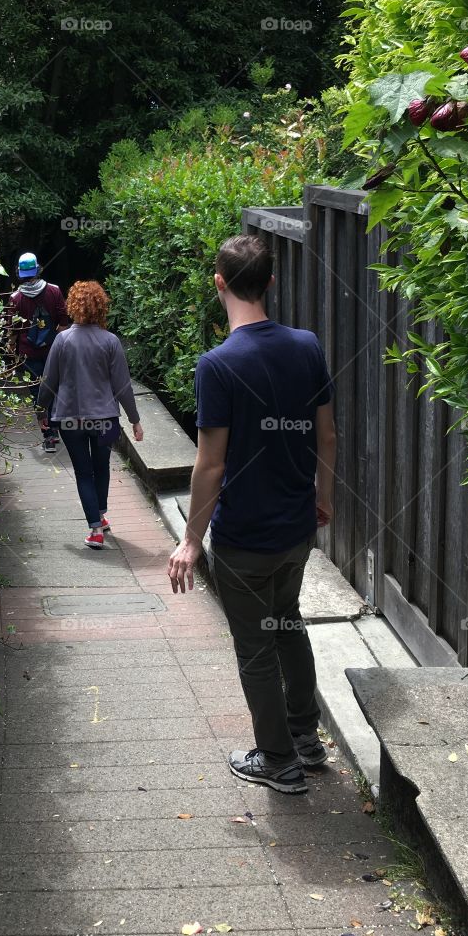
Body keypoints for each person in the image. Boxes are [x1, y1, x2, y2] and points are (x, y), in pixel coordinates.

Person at [167, 234, 336, 795]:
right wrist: (324, 497)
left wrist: (191, 539)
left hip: (244, 539)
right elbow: (327, 434)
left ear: (219, 283)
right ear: (270, 282)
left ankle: (279, 761)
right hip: (296, 530)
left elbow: (210, 464)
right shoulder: (307, 346)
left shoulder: (217, 365)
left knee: (256, 648)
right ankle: (305, 740)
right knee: (287, 622)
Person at [37, 281, 144, 548]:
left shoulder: (62, 340)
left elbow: (49, 381)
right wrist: (134, 419)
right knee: (101, 466)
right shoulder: (111, 341)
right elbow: (122, 385)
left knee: (84, 472)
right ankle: (100, 514)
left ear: (72, 306)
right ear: (101, 307)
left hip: (70, 418)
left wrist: (41, 409)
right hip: (106, 419)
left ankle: (95, 528)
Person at [6, 253, 70, 452]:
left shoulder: (15, 298)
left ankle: (48, 436)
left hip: (28, 353)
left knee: (37, 392)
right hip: (52, 350)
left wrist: (11, 349)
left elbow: (12, 330)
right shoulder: (54, 291)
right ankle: (56, 428)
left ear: (19, 273)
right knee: (54, 388)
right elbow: (64, 321)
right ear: (38, 269)